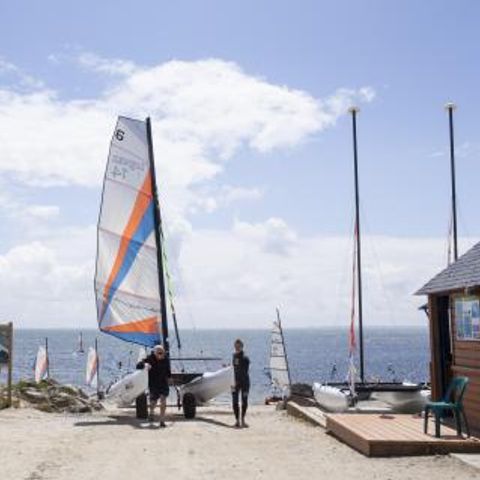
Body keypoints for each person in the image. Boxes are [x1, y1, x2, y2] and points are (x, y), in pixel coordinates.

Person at [137, 344, 171, 427]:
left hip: (163, 382)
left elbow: (168, 370)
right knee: (154, 402)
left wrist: (169, 378)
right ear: (155, 353)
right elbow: (138, 366)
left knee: (163, 399)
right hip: (153, 383)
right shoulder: (150, 358)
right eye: (159, 353)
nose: (161, 355)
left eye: (162, 353)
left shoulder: (166, 359)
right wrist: (145, 365)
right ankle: (151, 412)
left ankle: (162, 420)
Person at [231, 339, 250, 428]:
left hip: (244, 383)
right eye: (236, 346)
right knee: (234, 402)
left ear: (242, 347)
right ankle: (237, 420)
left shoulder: (245, 358)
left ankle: (243, 420)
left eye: (238, 346)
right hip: (235, 382)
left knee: (244, 401)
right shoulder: (234, 356)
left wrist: (237, 380)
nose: (237, 348)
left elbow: (243, 371)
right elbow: (234, 369)